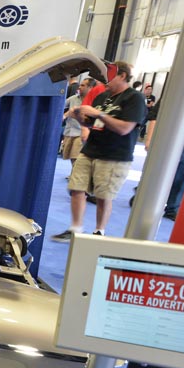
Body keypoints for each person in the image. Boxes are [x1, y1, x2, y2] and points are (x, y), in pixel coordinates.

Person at [52, 61, 147, 241]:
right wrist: (79, 117)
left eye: (109, 76)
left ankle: (98, 232)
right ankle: (75, 229)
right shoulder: (102, 97)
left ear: (122, 76)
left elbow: (124, 129)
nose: (105, 80)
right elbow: (91, 124)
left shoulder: (134, 98)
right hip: (90, 150)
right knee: (76, 188)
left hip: (114, 155)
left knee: (103, 196)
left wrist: (99, 114)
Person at [143, 86, 184, 220]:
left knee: (182, 178)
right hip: (167, 144)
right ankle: (143, 200)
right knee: (156, 173)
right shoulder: (172, 94)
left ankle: (172, 208)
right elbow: (154, 118)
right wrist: (149, 140)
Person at [60, 78, 97, 174]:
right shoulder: (73, 98)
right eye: (80, 85)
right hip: (69, 131)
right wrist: (64, 115)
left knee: (76, 156)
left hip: (81, 133)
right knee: (71, 157)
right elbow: (60, 105)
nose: (79, 87)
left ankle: (75, 175)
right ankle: (74, 173)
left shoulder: (95, 101)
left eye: (83, 85)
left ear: (90, 88)